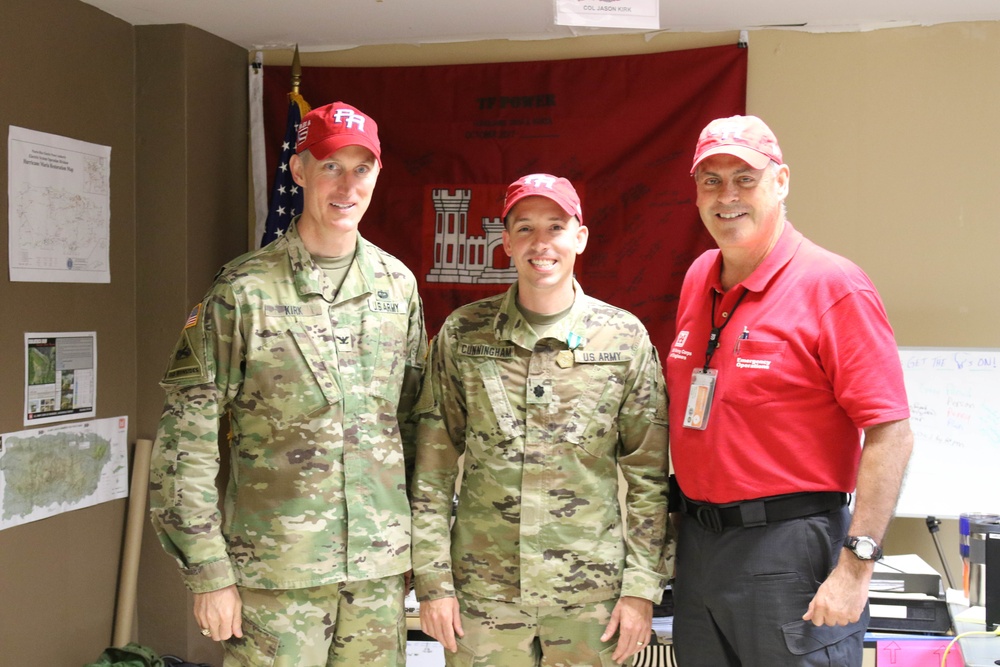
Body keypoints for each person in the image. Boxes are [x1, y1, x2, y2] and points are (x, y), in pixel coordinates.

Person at [149, 101, 427, 667]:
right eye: (330, 166)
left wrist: (419, 556)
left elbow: (416, 426)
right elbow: (187, 441)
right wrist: (207, 572)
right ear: (299, 171)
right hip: (277, 574)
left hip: (377, 574)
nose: (347, 185)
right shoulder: (244, 290)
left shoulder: (397, 286)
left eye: (362, 168)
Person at [665, 115, 913, 666]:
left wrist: (856, 567)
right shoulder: (699, 275)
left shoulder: (833, 285)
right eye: (711, 180)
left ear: (781, 182)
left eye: (745, 178)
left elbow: (891, 433)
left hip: (789, 548)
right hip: (701, 545)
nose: (727, 195)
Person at [410, 173, 673, 667]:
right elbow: (432, 468)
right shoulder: (464, 334)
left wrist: (641, 589)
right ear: (505, 241)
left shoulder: (622, 339)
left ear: (580, 237)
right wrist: (433, 582)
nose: (541, 243)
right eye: (525, 228)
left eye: (555, 226)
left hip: (589, 598)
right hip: (482, 597)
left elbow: (649, 479)